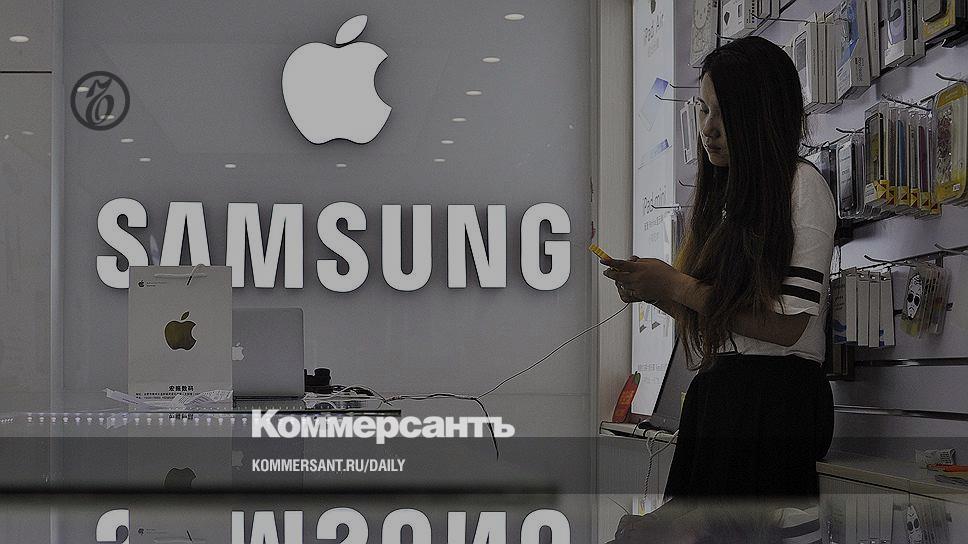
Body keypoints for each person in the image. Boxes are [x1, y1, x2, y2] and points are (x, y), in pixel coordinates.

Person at [603, 35, 835, 505]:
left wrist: (676, 285)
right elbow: (722, 325)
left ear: (762, 113)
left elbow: (785, 327)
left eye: (724, 112)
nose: (708, 128)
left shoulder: (801, 186)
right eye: (704, 110)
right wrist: (657, 291)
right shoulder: (727, 200)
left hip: (772, 406)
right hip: (721, 398)